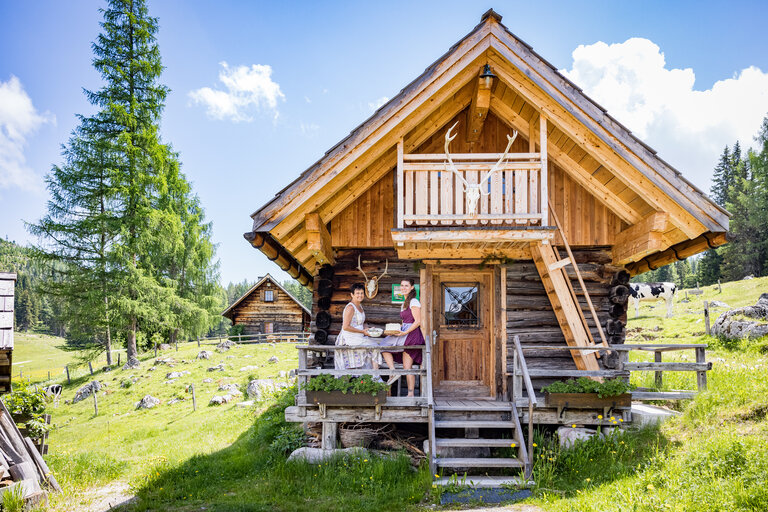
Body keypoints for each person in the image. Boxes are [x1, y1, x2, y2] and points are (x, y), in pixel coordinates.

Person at [381, 278, 424, 397]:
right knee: (383, 345)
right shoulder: (404, 303)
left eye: (406, 285)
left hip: (412, 334)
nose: (403, 287)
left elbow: (418, 321)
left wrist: (405, 333)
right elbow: (404, 322)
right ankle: (392, 370)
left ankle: (410, 394)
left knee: (407, 367)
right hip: (404, 331)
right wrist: (395, 330)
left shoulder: (414, 301)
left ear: (411, 288)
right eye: (402, 285)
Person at [334, 283, 382, 379]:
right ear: (352, 295)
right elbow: (345, 327)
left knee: (375, 346)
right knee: (375, 347)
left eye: (361, 293)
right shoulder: (350, 307)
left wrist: (368, 329)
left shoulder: (360, 307)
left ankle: (372, 375)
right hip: (349, 337)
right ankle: (376, 376)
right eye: (357, 293)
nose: (360, 295)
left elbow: (361, 323)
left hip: (359, 336)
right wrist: (362, 332)